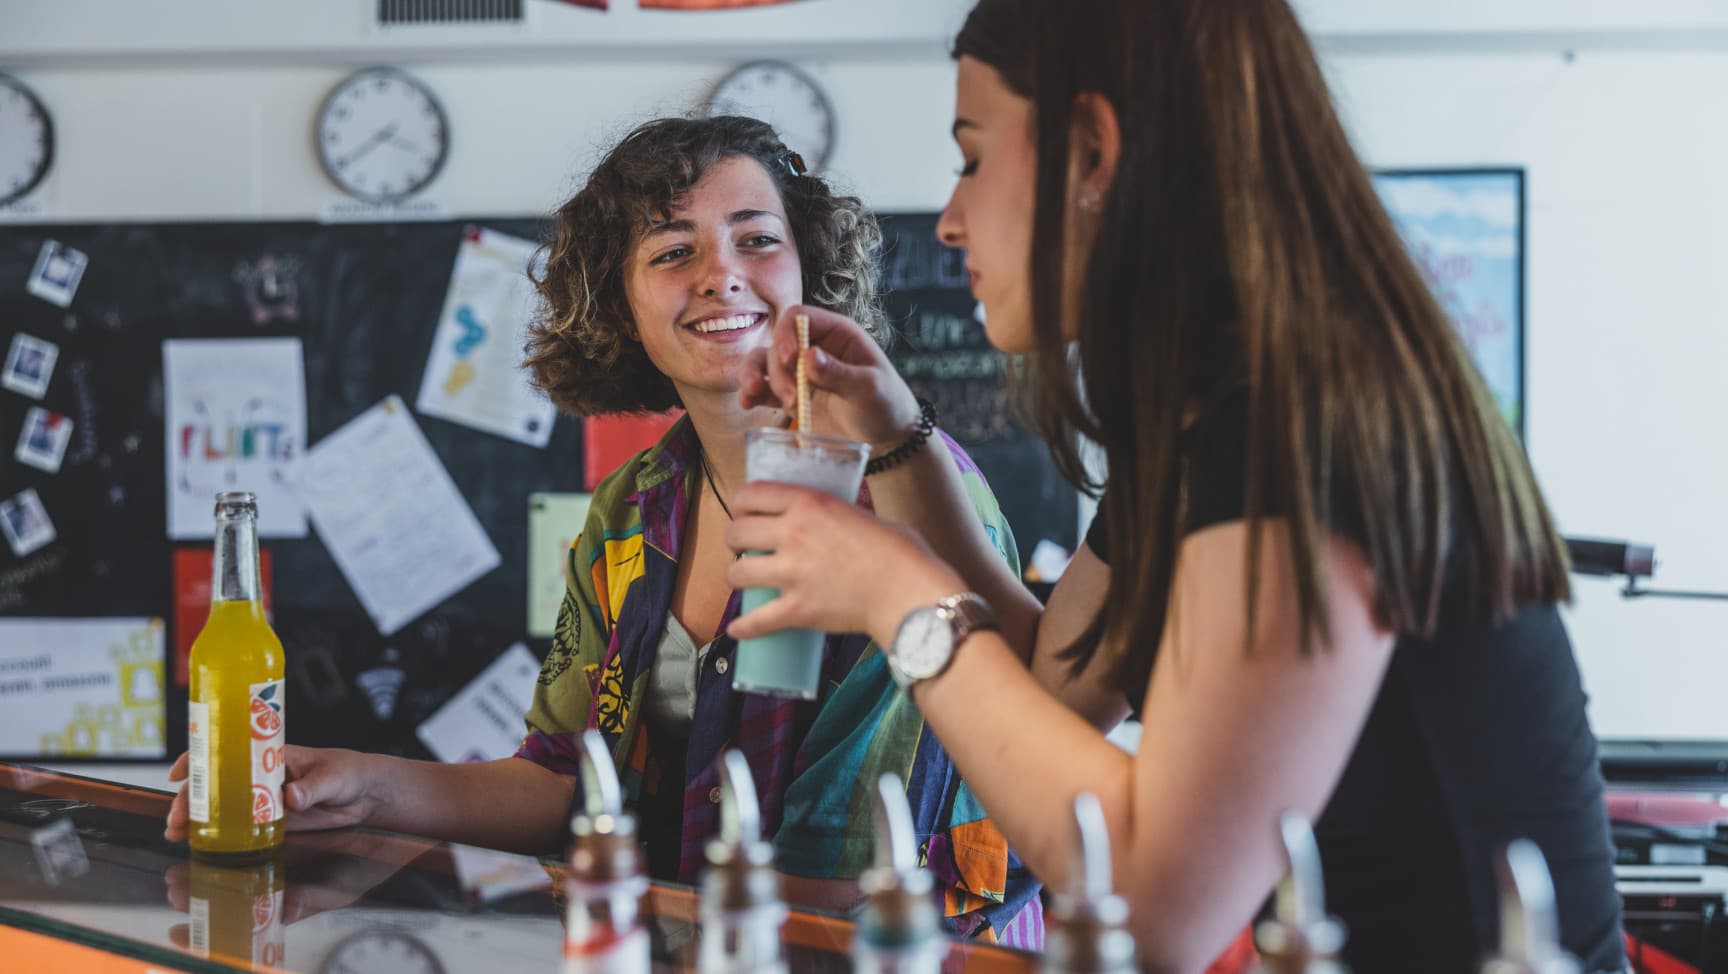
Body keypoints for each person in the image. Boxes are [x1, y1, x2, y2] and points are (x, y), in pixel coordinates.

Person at [720, 1, 1628, 971]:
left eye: (975, 157)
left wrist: (898, 593)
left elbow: (1156, 898)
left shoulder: (1301, 418)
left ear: (1094, 152)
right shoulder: (1202, 423)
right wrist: (897, 439)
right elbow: (1049, 692)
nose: (949, 216)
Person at [164, 116, 1041, 944]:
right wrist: (364, 785)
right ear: (620, 308)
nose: (721, 273)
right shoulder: (632, 510)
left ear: (807, 267)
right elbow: (559, 777)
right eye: (672, 251)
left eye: (758, 238)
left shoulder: (907, 489)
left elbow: (856, 858)